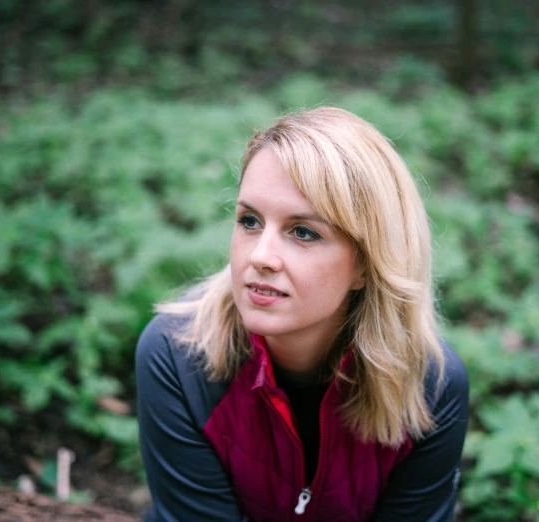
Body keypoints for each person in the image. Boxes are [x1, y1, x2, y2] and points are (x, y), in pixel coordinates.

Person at [135, 107, 469, 522]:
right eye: (250, 221)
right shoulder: (177, 353)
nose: (260, 256)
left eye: (303, 232)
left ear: (367, 264)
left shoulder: (431, 384)